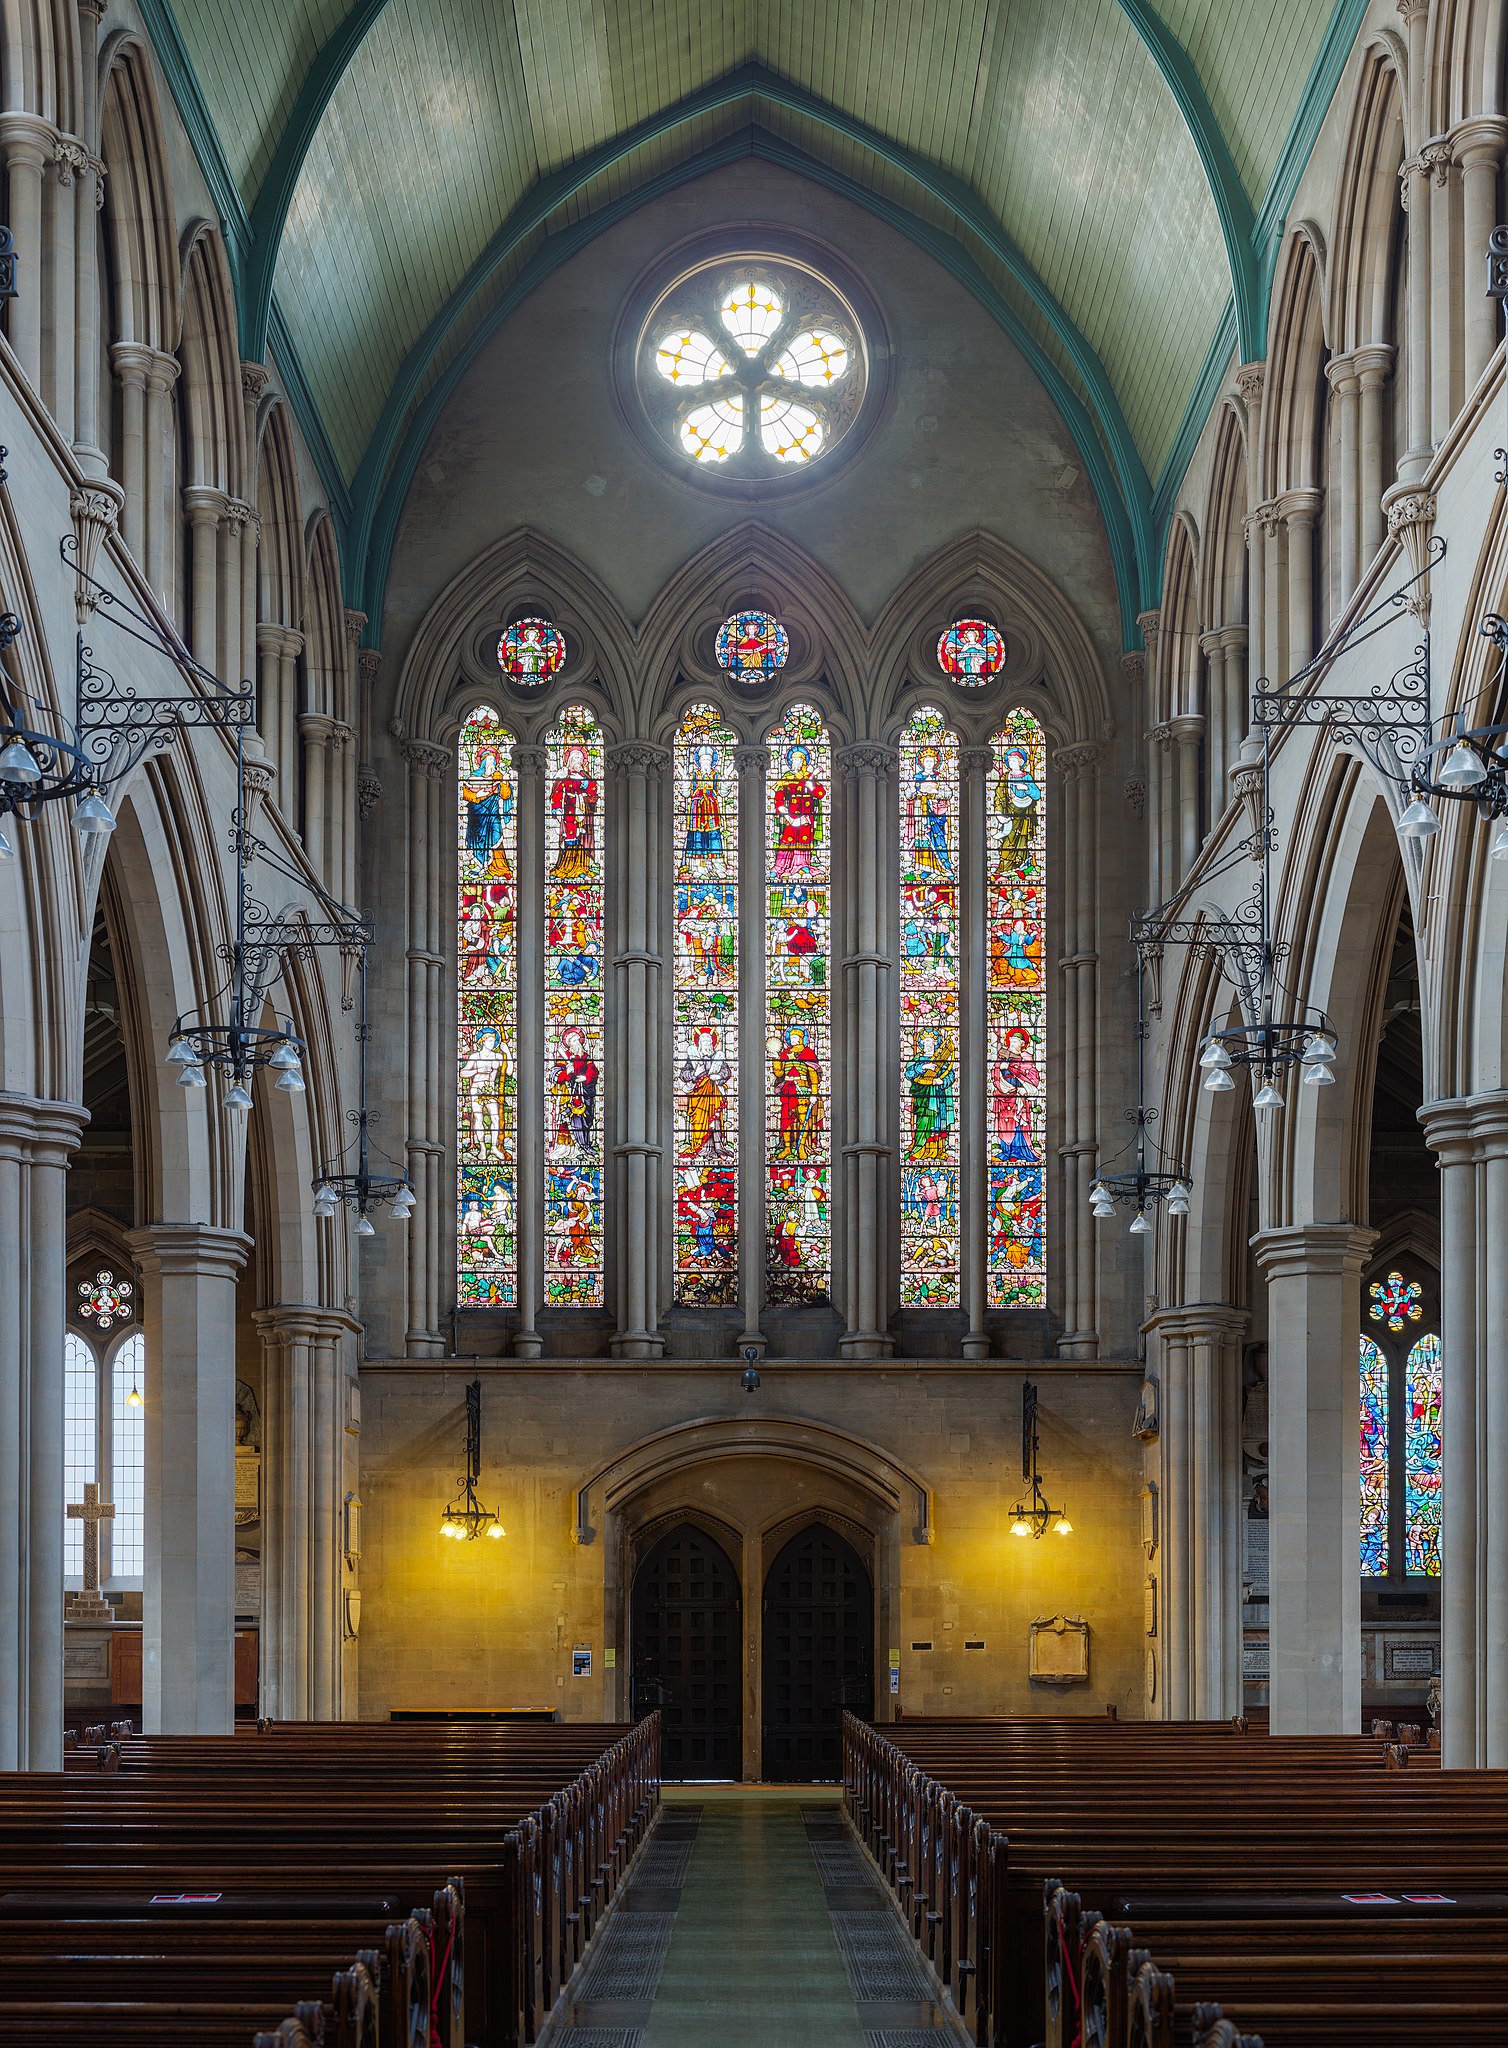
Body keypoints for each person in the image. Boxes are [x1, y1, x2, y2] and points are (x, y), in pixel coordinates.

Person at [461, 743, 514, 880]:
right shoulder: (473, 777)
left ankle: (501, 868)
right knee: (478, 840)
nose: (492, 762)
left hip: (492, 814)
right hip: (476, 815)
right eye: (489, 760)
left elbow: (505, 795)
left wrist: (505, 782)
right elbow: (466, 794)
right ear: (483, 762)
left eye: (493, 760)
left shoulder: (498, 775)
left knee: (496, 836)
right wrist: (478, 795)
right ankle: (480, 866)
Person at [771, 743, 825, 876]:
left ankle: (802, 864)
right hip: (791, 815)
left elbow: (821, 794)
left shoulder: (809, 777)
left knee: (804, 839)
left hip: (807, 815)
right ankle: (780, 866)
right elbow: (779, 800)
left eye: (799, 760)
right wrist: (789, 817)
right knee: (787, 839)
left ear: (804, 762)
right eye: (794, 760)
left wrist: (811, 786)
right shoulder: (786, 778)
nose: (796, 762)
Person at [679, 1027, 732, 1160]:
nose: (706, 1043)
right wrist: (695, 1073)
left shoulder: (717, 1057)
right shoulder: (693, 1058)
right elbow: (683, 1074)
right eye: (703, 1041)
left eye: (708, 1041)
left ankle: (717, 1148)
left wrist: (719, 1076)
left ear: (712, 1043)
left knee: (714, 1122)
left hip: (713, 1094)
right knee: (699, 1122)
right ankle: (700, 1149)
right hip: (698, 1096)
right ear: (699, 1043)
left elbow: (727, 1072)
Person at [771, 1024, 822, 1160]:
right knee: (786, 1120)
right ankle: (787, 1147)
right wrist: (776, 1059)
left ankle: (801, 1146)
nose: (793, 1039)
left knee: (802, 1118)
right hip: (787, 1089)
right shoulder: (785, 1054)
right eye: (791, 1037)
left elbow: (813, 1075)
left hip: (802, 1088)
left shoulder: (807, 1053)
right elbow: (779, 1073)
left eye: (796, 1037)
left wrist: (814, 1093)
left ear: (801, 1038)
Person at [904, 1030, 956, 1162]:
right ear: (921, 1044)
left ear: (935, 1043)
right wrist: (924, 1067)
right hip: (925, 1098)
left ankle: (939, 1151)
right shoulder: (918, 1060)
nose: (928, 1044)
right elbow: (909, 1073)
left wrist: (942, 1081)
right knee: (925, 1123)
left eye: (931, 1042)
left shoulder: (942, 1060)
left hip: (940, 1096)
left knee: (940, 1123)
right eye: (925, 1042)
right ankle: (920, 1150)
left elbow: (950, 1075)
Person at [550, 741, 599, 879]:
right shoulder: (563, 775)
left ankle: (582, 868)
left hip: (583, 811)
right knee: (568, 836)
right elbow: (557, 792)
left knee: (582, 837)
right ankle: (564, 867)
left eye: (580, 758)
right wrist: (557, 810)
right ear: (569, 761)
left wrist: (585, 783)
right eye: (575, 758)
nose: (578, 761)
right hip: (568, 810)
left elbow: (594, 789)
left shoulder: (585, 776)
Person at [551, 1025, 599, 1155]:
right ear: (568, 1044)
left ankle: (585, 1146)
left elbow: (594, 1072)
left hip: (584, 1093)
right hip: (568, 1095)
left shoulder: (586, 1057)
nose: (576, 1042)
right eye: (573, 1040)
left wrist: (585, 1077)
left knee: (585, 1121)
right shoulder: (563, 1057)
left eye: (578, 1040)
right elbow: (556, 1076)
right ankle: (568, 1149)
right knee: (568, 1121)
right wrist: (567, 1071)